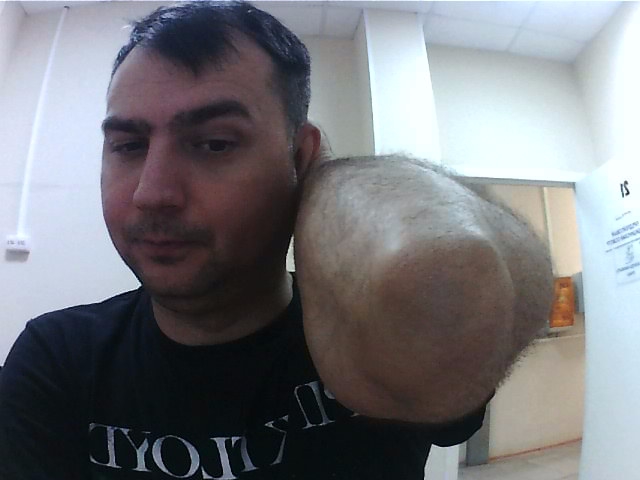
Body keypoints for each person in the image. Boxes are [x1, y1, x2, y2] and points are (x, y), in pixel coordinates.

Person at [0, 2, 553, 479]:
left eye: (214, 143)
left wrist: (327, 183)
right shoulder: (57, 359)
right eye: (128, 145)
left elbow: (472, 265)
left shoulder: (381, 332)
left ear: (300, 156)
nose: (152, 193)